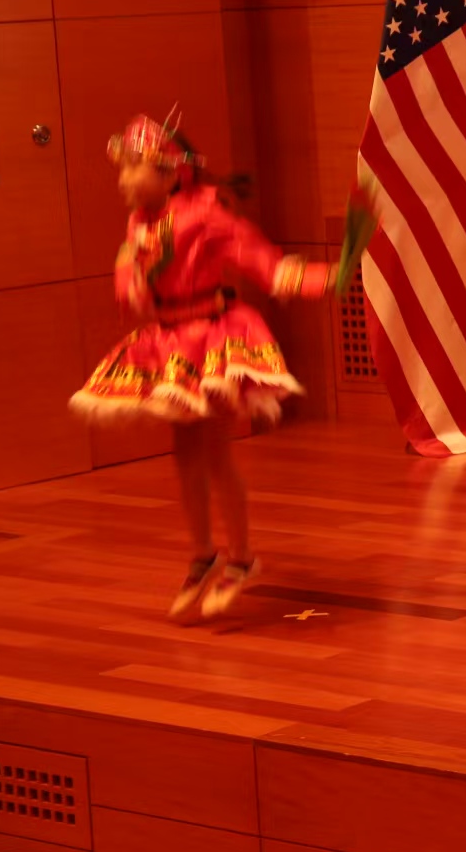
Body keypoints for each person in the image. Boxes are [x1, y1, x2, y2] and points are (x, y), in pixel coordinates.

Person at [70, 114, 337, 624]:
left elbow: (262, 262)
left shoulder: (204, 212)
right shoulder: (140, 222)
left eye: (132, 167)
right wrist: (128, 277)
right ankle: (202, 554)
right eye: (121, 169)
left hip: (211, 340)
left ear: (169, 172)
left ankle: (241, 558)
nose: (122, 180)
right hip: (173, 343)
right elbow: (134, 273)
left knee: (214, 453)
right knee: (186, 455)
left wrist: (326, 276)